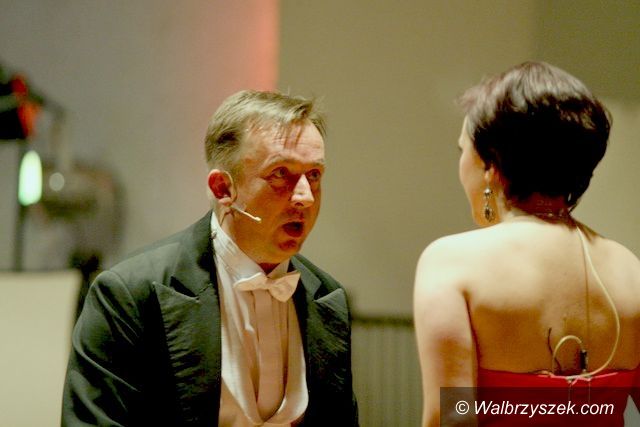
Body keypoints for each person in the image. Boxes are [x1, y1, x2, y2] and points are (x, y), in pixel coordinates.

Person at [62, 90, 358, 426]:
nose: (305, 197)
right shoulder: (129, 294)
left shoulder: (327, 298)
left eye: (314, 175)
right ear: (222, 189)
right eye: (280, 174)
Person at [414, 62, 640, 426]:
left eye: (462, 149)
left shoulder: (451, 263)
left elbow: (452, 419)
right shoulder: (629, 268)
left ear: (490, 163)